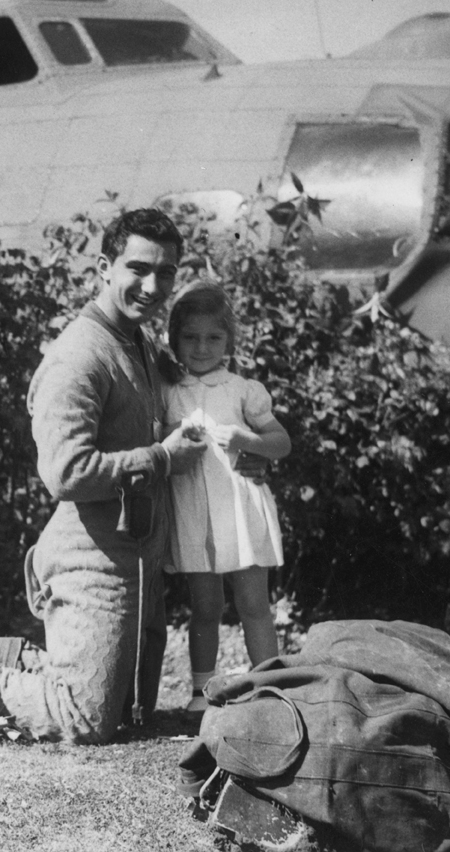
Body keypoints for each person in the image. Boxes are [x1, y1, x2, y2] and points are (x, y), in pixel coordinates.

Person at [0, 208, 205, 743]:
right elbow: (66, 472)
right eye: (138, 269)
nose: (152, 286)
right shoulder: (79, 355)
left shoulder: (138, 341)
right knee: (86, 717)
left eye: (165, 273)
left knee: (130, 709)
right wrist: (162, 458)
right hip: (90, 557)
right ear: (104, 266)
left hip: (133, 556)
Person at [162, 280, 290, 712]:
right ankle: (201, 693)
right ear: (175, 339)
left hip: (239, 510)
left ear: (229, 342)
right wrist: (175, 435)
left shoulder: (242, 389)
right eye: (191, 337)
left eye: (213, 337)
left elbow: (281, 442)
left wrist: (247, 439)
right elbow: (156, 440)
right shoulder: (168, 393)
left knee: (254, 603)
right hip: (196, 512)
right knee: (205, 605)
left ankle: (271, 690)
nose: (201, 347)